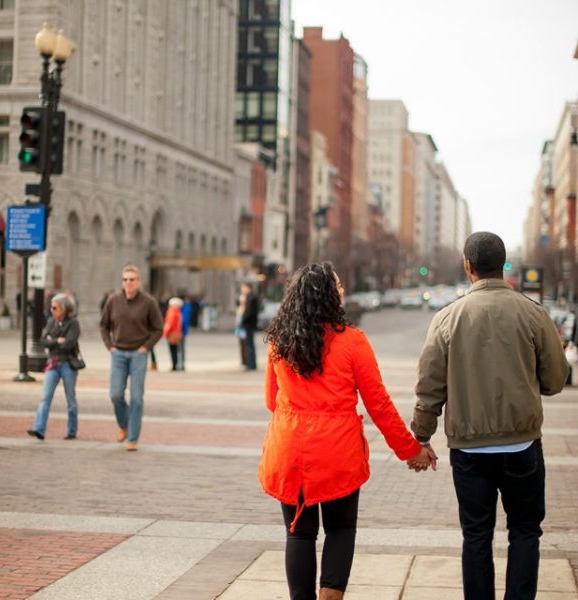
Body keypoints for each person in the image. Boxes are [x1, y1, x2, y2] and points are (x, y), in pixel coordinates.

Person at [259, 262, 434, 600]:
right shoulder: (352, 341)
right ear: (329, 296)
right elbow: (378, 405)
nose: (342, 291)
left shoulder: (279, 342)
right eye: (337, 286)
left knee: (299, 534)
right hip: (337, 453)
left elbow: (271, 400)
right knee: (340, 529)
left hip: (290, 451)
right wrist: (411, 451)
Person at [411, 232, 569, 600]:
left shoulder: (447, 318)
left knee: (477, 535)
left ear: (468, 267)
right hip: (523, 447)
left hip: (469, 450)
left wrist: (420, 436)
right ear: (503, 267)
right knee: (526, 532)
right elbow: (557, 378)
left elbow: (429, 385)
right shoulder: (533, 313)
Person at [100, 265, 163, 451]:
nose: (128, 282)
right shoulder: (113, 301)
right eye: (125, 279)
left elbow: (158, 329)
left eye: (132, 279)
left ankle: (132, 438)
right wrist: (109, 345)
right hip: (118, 353)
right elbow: (103, 325)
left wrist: (146, 347)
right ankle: (125, 425)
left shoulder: (148, 302)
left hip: (138, 354)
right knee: (116, 394)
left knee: (136, 398)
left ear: (138, 281)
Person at [27, 293, 81, 441]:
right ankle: (39, 429)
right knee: (45, 397)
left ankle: (72, 430)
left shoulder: (73, 323)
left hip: (68, 364)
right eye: (51, 307)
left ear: (64, 308)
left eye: (55, 307)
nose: (51, 310)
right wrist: (58, 340)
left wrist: (53, 340)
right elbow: (43, 341)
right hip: (53, 364)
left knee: (70, 399)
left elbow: (69, 343)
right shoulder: (51, 322)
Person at [240, 282, 259, 370]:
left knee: (249, 345)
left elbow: (249, 313)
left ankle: (251, 364)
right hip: (248, 324)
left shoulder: (252, 298)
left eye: (244, 288)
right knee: (248, 344)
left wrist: (243, 321)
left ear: (248, 288)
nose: (242, 290)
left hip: (249, 324)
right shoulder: (249, 298)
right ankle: (251, 363)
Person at [163, 297, 183, 371]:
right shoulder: (178, 312)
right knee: (176, 349)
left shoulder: (171, 311)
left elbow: (169, 323)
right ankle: (176, 364)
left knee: (173, 350)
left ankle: (174, 365)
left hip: (172, 333)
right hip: (177, 332)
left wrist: (165, 332)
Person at [177, 297, 192, 371]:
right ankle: (180, 364)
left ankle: (181, 364)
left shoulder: (183, 310)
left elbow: (184, 321)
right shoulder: (185, 308)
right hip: (182, 331)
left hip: (181, 332)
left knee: (180, 348)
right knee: (181, 348)